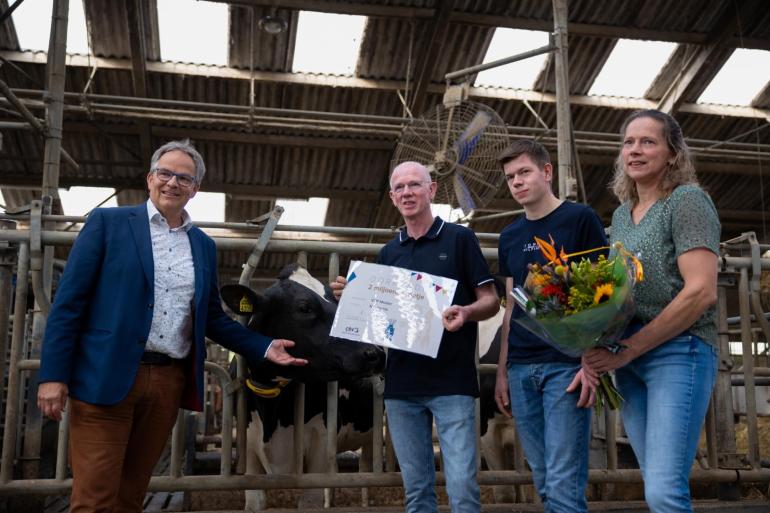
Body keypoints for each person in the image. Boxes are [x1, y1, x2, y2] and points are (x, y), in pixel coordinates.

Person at [36, 140, 307, 513]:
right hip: (104, 375)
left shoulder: (203, 246)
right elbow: (69, 305)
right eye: (165, 173)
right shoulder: (108, 223)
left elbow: (211, 316)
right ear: (150, 178)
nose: (173, 183)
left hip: (165, 382)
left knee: (131, 496)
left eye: (184, 177)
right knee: (95, 498)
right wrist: (53, 375)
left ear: (195, 189)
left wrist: (262, 346)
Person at [331, 161, 498, 513]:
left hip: (453, 382)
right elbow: (380, 319)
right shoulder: (388, 253)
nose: (407, 193)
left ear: (432, 190)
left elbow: (491, 300)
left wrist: (467, 311)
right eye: (400, 188)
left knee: (463, 487)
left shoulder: (460, 239)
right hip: (402, 386)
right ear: (392, 198)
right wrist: (354, 299)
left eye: (414, 185)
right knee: (417, 491)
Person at [583, 109, 720, 513]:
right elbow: (619, 295)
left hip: (679, 352)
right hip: (630, 358)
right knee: (654, 482)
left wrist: (630, 348)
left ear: (673, 153)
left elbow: (701, 292)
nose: (635, 150)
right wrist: (593, 345)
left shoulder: (687, 201)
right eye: (628, 142)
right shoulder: (622, 216)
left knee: (663, 490)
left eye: (648, 142)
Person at [493, 139, 607, 513]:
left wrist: (591, 362)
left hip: (566, 365)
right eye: (510, 177)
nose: (517, 182)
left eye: (524, 172)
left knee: (562, 479)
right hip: (522, 366)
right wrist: (502, 371)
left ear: (546, 172)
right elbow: (512, 306)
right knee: (542, 476)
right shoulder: (509, 236)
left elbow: (601, 295)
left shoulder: (580, 219)